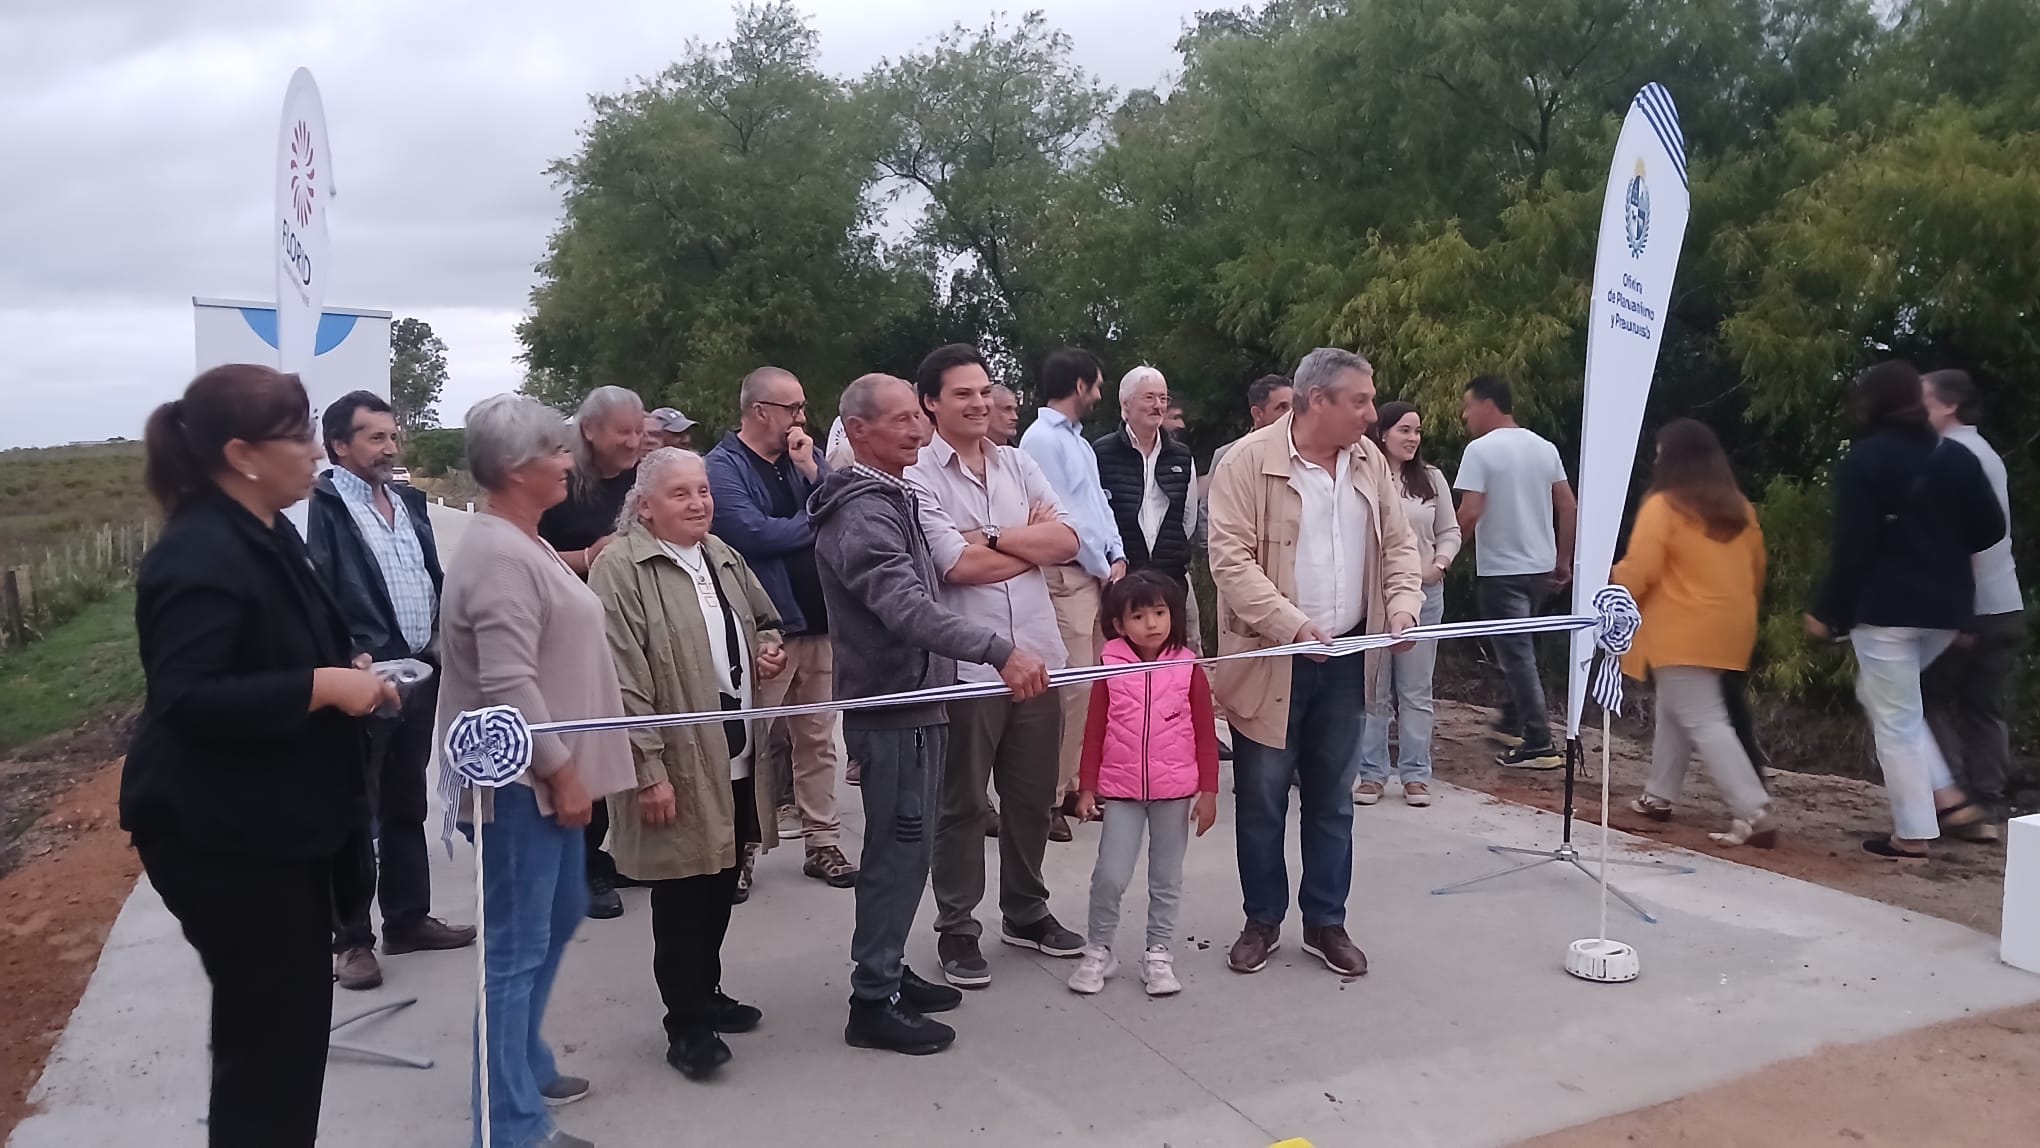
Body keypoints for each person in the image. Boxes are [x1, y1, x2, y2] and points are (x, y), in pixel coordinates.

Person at [124, 365, 396, 1147]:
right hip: (223, 839)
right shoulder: (199, 554)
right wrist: (318, 687)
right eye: (300, 435)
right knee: (268, 1047)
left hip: (276, 826)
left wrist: (351, 676)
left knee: (285, 1035)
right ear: (243, 453)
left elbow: (282, 648)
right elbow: (189, 697)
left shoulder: (267, 530)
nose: (316, 452)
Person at [809, 373, 1050, 1055]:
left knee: (909, 852)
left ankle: (887, 969)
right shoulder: (861, 512)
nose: (917, 431)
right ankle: (872, 999)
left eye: (918, 417)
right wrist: (997, 649)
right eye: (899, 421)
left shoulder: (892, 494)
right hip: (894, 709)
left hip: (923, 701)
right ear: (857, 432)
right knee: (895, 852)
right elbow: (908, 608)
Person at [440, 394, 634, 1148]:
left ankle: (522, 1060)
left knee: (555, 920)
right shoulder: (497, 554)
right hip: (522, 788)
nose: (567, 464)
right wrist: (559, 771)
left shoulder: (524, 539)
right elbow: (509, 681)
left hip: (543, 779)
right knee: (516, 947)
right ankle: (509, 1121)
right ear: (519, 468)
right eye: (556, 453)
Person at [1207, 347, 1421, 978]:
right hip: (1275, 654)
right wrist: (1293, 626)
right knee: (1264, 798)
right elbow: (1230, 561)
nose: (1372, 411)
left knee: (1333, 798)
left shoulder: (1369, 461)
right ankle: (1262, 920)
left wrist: (1402, 609)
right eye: (1359, 400)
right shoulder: (1247, 462)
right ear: (1317, 401)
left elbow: (1400, 547)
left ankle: (1326, 922)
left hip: (1348, 657)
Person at [590, 447, 785, 1080]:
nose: (698, 503)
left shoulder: (720, 555)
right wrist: (648, 770)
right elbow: (623, 677)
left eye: (702, 491)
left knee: (723, 876)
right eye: (681, 494)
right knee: (681, 893)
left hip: (733, 746)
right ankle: (686, 1026)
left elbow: (763, 619)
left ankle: (708, 991)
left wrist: (769, 647)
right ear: (644, 506)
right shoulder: (620, 568)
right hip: (674, 761)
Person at [906, 344, 1085, 990]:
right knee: (960, 805)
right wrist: (1021, 545)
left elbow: (1068, 541)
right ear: (930, 401)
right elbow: (954, 566)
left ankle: (1026, 911)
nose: (980, 403)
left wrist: (991, 540)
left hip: (1039, 653)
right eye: (963, 394)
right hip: (970, 665)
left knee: (1032, 799)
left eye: (985, 391)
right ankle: (957, 925)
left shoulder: (1017, 463)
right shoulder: (919, 476)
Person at [307, 390, 473, 991]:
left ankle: (407, 919)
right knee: (357, 810)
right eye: (374, 437)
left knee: (408, 800)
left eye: (392, 434)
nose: (390, 446)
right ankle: (350, 941)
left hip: (418, 673)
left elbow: (429, 577)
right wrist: (342, 661)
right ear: (339, 446)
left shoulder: (408, 501)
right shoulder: (319, 510)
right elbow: (316, 596)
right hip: (362, 680)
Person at [1807, 361, 2004, 860]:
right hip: (1948, 610)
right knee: (1890, 702)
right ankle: (1949, 799)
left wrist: (1829, 610)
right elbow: (1990, 529)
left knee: (1894, 718)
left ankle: (1913, 834)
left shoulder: (1864, 461)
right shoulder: (1956, 458)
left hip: (1887, 610)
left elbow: (1853, 548)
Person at [705, 366, 857, 891]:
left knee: (817, 739)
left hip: (819, 621)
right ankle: (740, 848)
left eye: (802, 408)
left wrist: (815, 476)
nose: (801, 419)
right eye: (792, 409)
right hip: (764, 629)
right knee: (750, 743)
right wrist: (817, 519)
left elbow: (846, 506)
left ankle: (823, 841)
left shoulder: (804, 460)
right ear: (759, 411)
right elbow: (751, 533)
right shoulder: (721, 467)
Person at [1613, 420, 1775, 847]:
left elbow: (1641, 569)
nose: (1656, 459)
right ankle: (1658, 795)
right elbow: (1757, 570)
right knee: (1676, 708)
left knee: (1703, 718)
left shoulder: (1664, 505)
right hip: (1732, 625)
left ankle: (1752, 809)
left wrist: (1607, 583)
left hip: (1681, 626)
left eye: (1661, 452)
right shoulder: (1739, 507)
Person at [1066, 571, 1220, 997]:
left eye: (1160, 612)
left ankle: (1159, 954)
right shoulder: (1109, 667)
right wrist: (1087, 788)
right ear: (1119, 624)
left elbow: (1207, 735)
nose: (1152, 623)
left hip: (1175, 793)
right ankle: (1098, 949)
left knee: (1166, 877)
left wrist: (1209, 791)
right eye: (1139, 615)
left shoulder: (1188, 668)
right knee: (1110, 875)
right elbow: (1094, 730)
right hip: (1121, 792)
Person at [538, 384, 644, 920]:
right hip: (571, 636)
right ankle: (577, 864)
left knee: (628, 746)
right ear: (588, 431)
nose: (634, 441)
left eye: (639, 429)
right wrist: (587, 557)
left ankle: (613, 852)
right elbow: (524, 557)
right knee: (584, 748)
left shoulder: (642, 480)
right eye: (623, 431)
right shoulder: (560, 484)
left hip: (638, 630)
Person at [1019, 348, 1130, 840]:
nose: (1100, 394)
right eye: (1097, 384)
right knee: (1066, 691)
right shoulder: (1041, 439)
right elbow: (1060, 514)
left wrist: (1117, 554)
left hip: (1093, 573)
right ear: (1079, 384)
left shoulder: (1078, 443)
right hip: (1066, 575)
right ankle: (1042, 799)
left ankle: (1070, 788)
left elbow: (1096, 505)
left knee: (1089, 689)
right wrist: (1101, 562)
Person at [1455, 374, 1577, 769]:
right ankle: (1511, 718)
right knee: (1522, 649)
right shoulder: (1543, 447)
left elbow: (1471, 511)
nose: (1465, 414)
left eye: (1468, 405)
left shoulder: (1480, 450)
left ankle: (1539, 741)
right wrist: (1563, 560)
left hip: (1501, 569)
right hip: (1540, 566)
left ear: (1487, 404)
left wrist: (1444, 553)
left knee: (1517, 655)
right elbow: (1568, 506)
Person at [1921, 369, 2023, 829]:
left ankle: (1952, 799)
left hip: (1969, 604)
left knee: (1926, 700)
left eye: (1923, 398)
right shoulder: (1987, 454)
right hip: (2004, 600)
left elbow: (1961, 539)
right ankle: (1988, 800)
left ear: (1948, 406)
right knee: (1984, 707)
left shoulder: (1953, 456)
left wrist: (1959, 612)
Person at [1351, 402, 1459, 808]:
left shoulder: (1431, 479)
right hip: (1373, 597)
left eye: (1417, 431)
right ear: (1383, 433)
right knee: (1373, 690)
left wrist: (1439, 565)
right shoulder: (1362, 475)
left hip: (1424, 595)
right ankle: (1371, 774)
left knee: (1415, 690)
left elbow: (1449, 531)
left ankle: (1416, 775)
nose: (1413, 438)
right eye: (1404, 430)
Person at [1094, 365, 1194, 589]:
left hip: (1170, 576)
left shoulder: (1180, 455)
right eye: (1149, 397)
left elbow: (1187, 516)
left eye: (1163, 398)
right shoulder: (1102, 452)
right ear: (1126, 404)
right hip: (1122, 576)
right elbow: (1096, 513)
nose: (1158, 406)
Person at [1210, 374, 1293, 476]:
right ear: (1257, 414)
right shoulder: (1227, 456)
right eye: (1282, 407)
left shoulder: (1306, 454)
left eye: (1294, 406)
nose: (1292, 413)